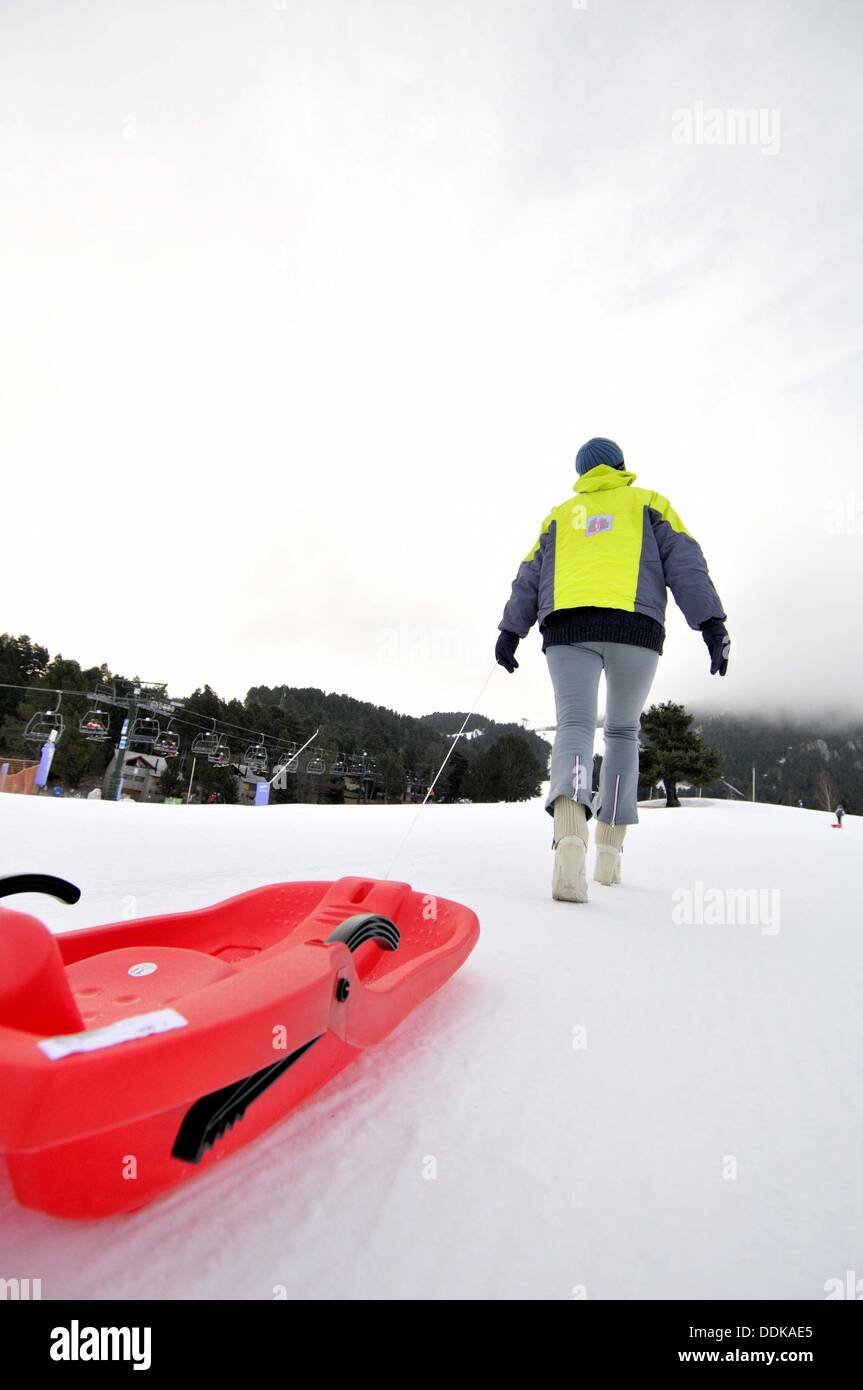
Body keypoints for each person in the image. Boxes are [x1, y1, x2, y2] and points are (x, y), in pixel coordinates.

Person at [495, 437, 728, 902]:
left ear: (582, 475)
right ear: (621, 466)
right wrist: (711, 623)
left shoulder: (561, 515)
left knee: (575, 728)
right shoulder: (649, 503)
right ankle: (608, 854)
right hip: (636, 628)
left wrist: (510, 630)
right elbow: (686, 563)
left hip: (568, 627)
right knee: (622, 733)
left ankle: (570, 839)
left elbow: (529, 574)